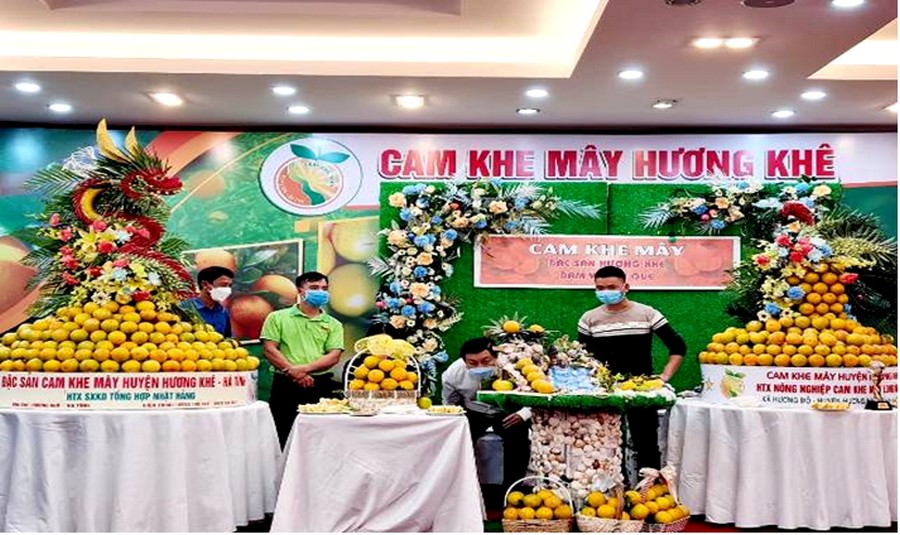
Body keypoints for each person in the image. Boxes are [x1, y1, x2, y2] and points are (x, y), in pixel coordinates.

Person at [577, 266, 686, 472]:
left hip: (640, 390)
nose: (605, 292)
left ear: (626, 287)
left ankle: (649, 488)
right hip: (603, 392)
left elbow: (678, 347)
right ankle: (610, 488)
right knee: (602, 445)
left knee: (646, 444)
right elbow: (584, 358)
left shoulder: (647, 314)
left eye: (612, 287)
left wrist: (665, 376)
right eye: (600, 288)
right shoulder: (589, 319)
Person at [442, 337, 531, 503]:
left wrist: (523, 414)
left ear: (496, 356)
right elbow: (450, 403)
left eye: (486, 361)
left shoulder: (514, 366)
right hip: (473, 412)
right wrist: (456, 419)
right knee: (458, 439)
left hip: (507, 411)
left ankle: (512, 493)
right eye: (472, 363)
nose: (479, 367)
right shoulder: (454, 373)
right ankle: (462, 492)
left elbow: (536, 392)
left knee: (518, 439)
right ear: (464, 362)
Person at [261, 271, 345, 447]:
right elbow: (269, 349)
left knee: (320, 438)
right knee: (283, 433)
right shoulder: (277, 317)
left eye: (324, 288)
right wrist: (292, 372)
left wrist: (302, 370)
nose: (320, 292)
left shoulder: (334, 324)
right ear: (300, 290)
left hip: (320, 384)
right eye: (314, 287)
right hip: (285, 384)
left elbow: (334, 356)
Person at [183, 266, 234, 337]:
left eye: (230, 286)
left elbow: (228, 338)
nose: (227, 289)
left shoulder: (223, 311)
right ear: (204, 284)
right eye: (223, 285)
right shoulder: (184, 308)